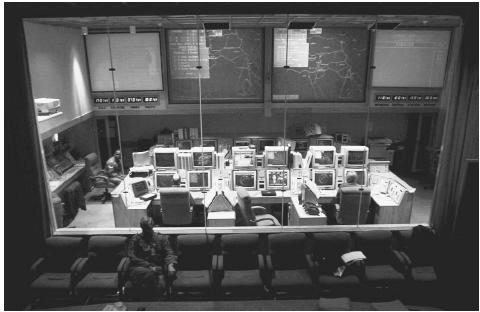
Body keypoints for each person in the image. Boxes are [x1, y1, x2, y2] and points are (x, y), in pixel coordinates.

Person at [127, 216, 177, 298]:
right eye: (145, 228)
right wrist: (149, 266)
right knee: (150, 275)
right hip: (140, 267)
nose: (147, 231)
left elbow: (169, 252)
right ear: (142, 227)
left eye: (149, 228)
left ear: (153, 226)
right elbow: (132, 256)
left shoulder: (161, 238)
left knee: (161, 284)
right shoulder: (135, 239)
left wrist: (171, 265)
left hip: (158, 267)